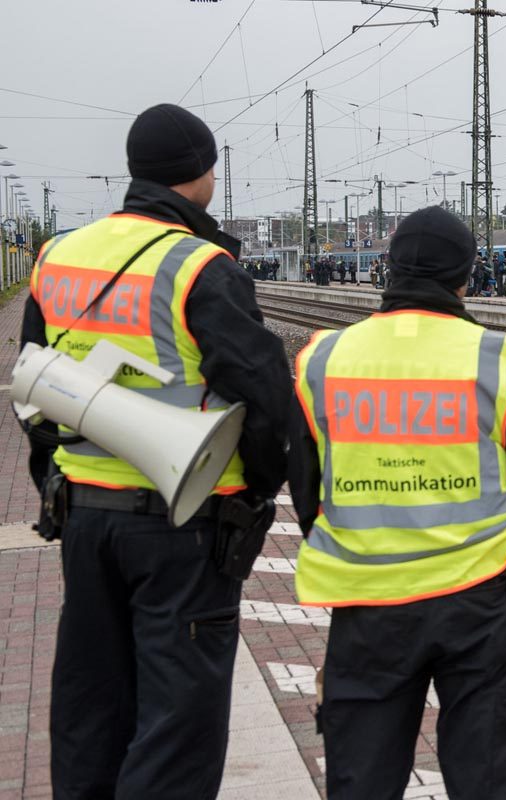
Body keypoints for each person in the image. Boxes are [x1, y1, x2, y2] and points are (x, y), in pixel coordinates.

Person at [21, 103, 290, 799]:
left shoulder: (59, 257)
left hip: (86, 519)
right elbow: (264, 400)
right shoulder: (201, 266)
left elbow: (35, 384)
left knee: (90, 705)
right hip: (182, 526)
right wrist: (257, 492)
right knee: (177, 724)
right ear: (201, 175)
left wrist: (56, 480)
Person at [289, 205, 506, 800]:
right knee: (485, 776)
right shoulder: (493, 359)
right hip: (475, 602)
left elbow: (303, 488)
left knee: (362, 778)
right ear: (466, 277)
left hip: (366, 605)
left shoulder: (323, 359)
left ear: (387, 270)